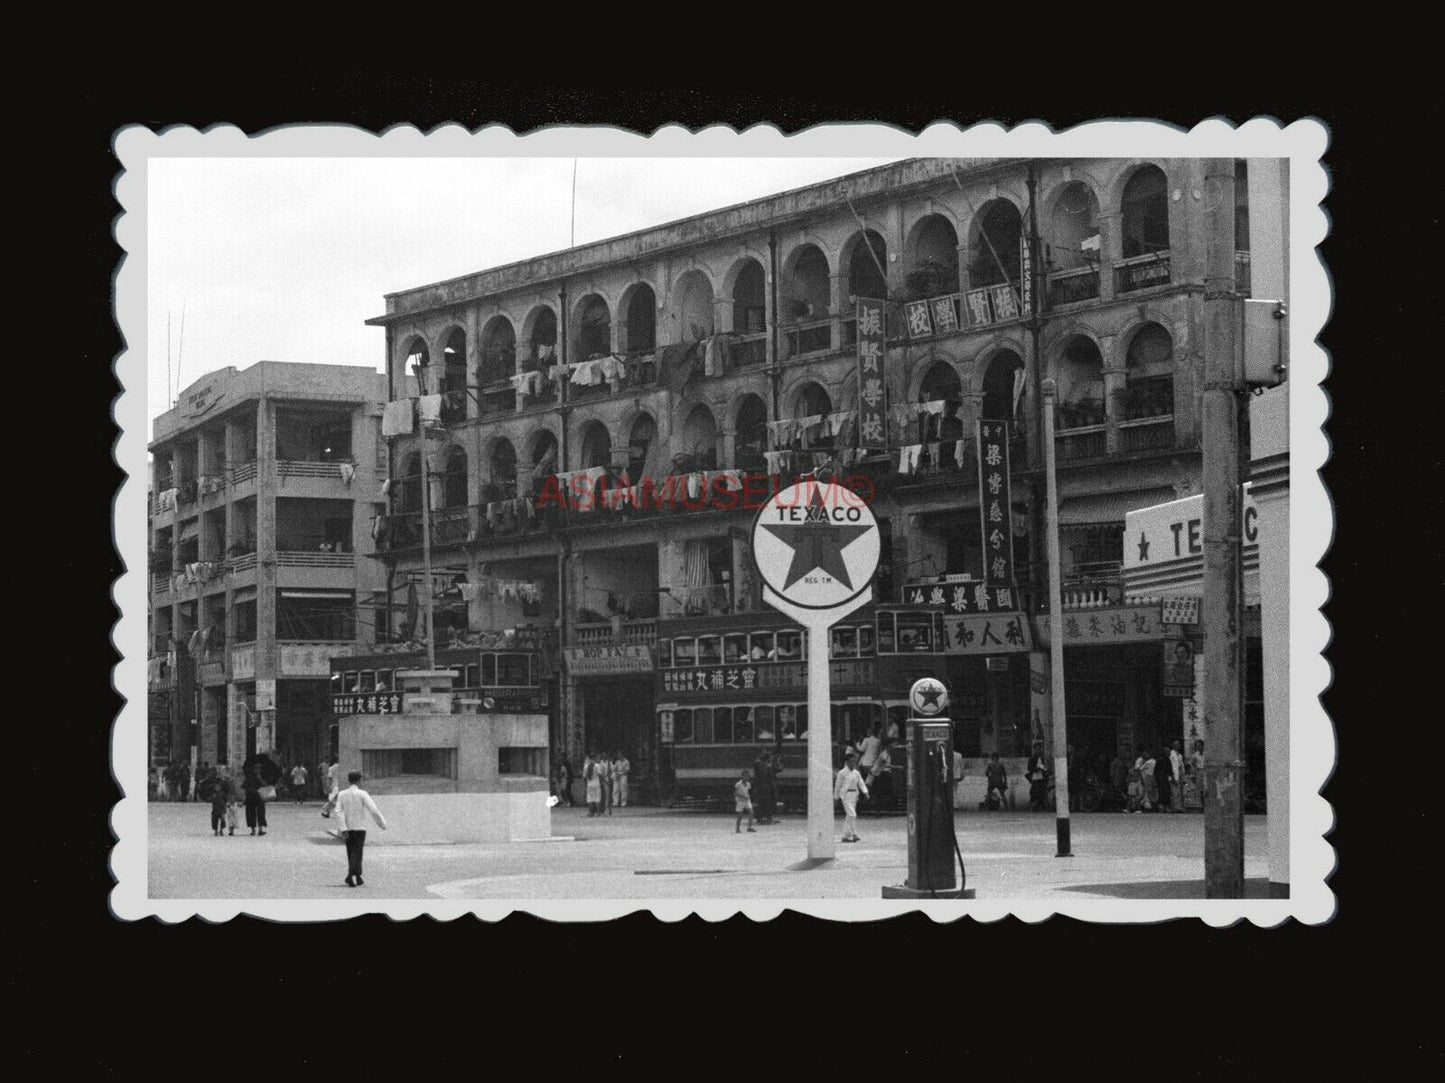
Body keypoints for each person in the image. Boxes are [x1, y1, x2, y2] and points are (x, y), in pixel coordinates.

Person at [334, 771, 388, 887]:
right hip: (360, 828)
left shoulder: (342, 794)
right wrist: (382, 823)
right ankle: (351, 876)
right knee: (358, 852)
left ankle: (357, 876)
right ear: (359, 781)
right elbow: (373, 810)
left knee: (351, 852)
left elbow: (338, 811)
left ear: (349, 780)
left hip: (347, 828)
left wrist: (343, 828)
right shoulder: (363, 794)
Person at [834, 753, 869, 843]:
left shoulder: (856, 773)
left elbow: (861, 783)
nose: (853, 763)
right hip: (846, 795)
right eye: (851, 762)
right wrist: (836, 798)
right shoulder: (842, 773)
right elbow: (837, 786)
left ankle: (845, 836)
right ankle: (854, 834)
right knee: (852, 814)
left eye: (854, 761)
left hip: (854, 794)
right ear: (846, 762)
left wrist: (865, 792)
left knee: (849, 816)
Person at [868, 741, 894, 814]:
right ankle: (879, 810)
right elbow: (882, 765)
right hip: (883, 774)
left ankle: (884, 809)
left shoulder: (887, 755)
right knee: (881, 792)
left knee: (884, 792)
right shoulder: (884, 755)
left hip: (884, 773)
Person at [752, 750, 776, 824]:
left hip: (764, 786)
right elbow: (765, 773)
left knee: (764, 802)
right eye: (770, 758)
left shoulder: (763, 764)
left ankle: (763, 817)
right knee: (764, 802)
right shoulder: (761, 764)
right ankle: (764, 818)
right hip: (763, 786)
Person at [242, 768, 269, 835]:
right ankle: (253, 830)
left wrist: (260, 778)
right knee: (250, 813)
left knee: (261, 813)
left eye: (259, 769)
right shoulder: (249, 777)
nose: (257, 770)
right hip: (250, 796)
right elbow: (245, 787)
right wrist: (244, 797)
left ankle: (260, 829)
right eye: (256, 769)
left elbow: (266, 785)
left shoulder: (262, 776)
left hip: (260, 796)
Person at [1026, 741, 1049, 811]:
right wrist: (1036, 769)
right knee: (1035, 791)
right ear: (1034, 749)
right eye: (1037, 749)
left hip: (1042, 776)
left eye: (1039, 749)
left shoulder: (1041, 758)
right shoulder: (1032, 758)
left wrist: (1044, 769)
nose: (1039, 750)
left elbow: (1044, 766)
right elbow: (1029, 768)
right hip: (1035, 777)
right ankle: (1034, 805)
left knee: (1042, 791)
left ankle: (1040, 805)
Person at [209, 771, 232, 836]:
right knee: (214, 821)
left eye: (218, 786)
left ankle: (221, 830)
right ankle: (216, 831)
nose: (217, 788)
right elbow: (210, 799)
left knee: (223, 820)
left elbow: (226, 799)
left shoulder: (222, 793)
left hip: (222, 809)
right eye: (216, 786)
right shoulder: (213, 793)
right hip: (215, 810)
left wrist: (228, 804)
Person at [734, 769, 756, 833]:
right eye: (745, 776)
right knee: (740, 816)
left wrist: (748, 797)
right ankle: (737, 829)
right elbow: (735, 793)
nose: (746, 778)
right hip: (740, 801)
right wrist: (743, 796)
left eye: (747, 776)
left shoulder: (748, 784)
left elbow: (747, 791)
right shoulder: (738, 784)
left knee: (751, 812)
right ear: (742, 776)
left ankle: (749, 827)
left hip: (747, 800)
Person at [1168, 741, 1186, 813]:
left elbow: (1181, 766)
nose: (1178, 746)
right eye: (1177, 744)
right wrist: (1171, 776)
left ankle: (1179, 806)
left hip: (1180, 773)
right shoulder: (1171, 754)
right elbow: (1171, 766)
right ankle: (1175, 807)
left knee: (1180, 791)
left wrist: (1183, 776)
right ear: (1173, 746)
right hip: (1174, 774)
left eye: (1179, 744)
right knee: (1174, 791)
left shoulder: (1180, 755)